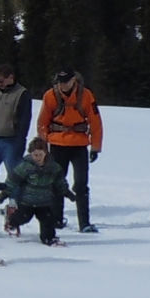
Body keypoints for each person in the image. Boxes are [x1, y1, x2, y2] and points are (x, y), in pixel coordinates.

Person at [37, 69, 103, 232]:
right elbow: (42, 123)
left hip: (79, 145)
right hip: (57, 144)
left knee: (81, 184)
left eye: (66, 81)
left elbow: (95, 122)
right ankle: (56, 219)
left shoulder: (86, 96)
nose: (63, 85)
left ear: (73, 80)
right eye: (60, 82)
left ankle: (84, 223)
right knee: (57, 183)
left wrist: (95, 147)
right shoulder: (50, 96)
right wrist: (43, 145)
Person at [0, 138, 73, 246]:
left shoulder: (53, 167)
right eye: (35, 155)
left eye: (40, 154)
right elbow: (13, 180)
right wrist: (5, 193)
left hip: (44, 202)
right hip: (26, 201)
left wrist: (66, 192)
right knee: (23, 218)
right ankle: (11, 220)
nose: (37, 158)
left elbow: (60, 182)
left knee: (48, 220)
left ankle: (49, 238)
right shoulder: (25, 166)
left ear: (45, 153)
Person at [0, 65, 33, 184]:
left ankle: (14, 202)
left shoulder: (21, 93)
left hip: (12, 141)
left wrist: (19, 144)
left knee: (15, 176)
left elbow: (24, 122)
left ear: (10, 78)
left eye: (1, 81)